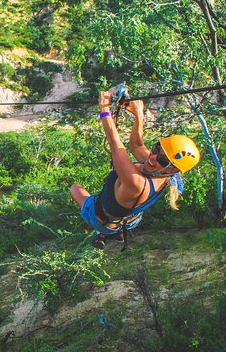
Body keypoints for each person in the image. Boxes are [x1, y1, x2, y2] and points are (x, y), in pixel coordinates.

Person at [70, 91, 200, 249]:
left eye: (161, 159)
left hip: (101, 219)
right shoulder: (165, 175)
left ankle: (105, 231)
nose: (152, 157)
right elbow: (137, 146)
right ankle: (117, 231)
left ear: (172, 169)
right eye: (156, 148)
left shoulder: (136, 183)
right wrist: (139, 115)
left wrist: (104, 107)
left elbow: (115, 143)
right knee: (118, 209)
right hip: (131, 219)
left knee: (75, 188)